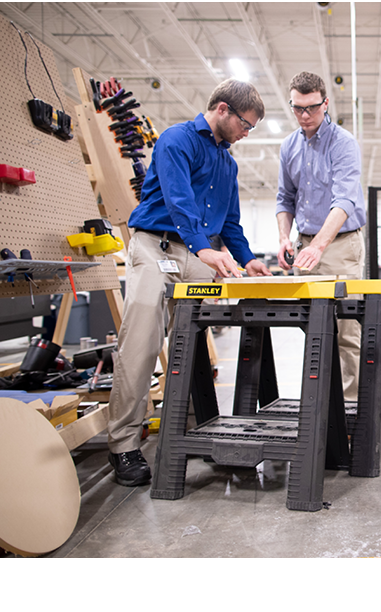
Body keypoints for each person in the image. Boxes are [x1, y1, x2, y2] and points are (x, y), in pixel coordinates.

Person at [108, 79, 271, 487]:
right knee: (142, 339)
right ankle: (123, 445)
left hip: (196, 251)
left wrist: (248, 260)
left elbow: (230, 222)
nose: (246, 134)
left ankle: (207, 430)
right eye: (245, 125)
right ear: (221, 109)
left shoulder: (227, 163)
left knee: (220, 324)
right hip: (156, 246)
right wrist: (206, 251)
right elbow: (180, 202)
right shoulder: (175, 140)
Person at [276, 71, 367, 401]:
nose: (304, 116)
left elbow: (345, 200)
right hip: (306, 247)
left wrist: (318, 246)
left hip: (340, 245)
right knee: (315, 331)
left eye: (311, 108)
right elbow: (284, 198)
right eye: (297, 108)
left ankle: (351, 412)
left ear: (325, 103)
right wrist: (285, 237)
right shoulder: (289, 146)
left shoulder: (343, 144)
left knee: (346, 332)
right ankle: (322, 407)